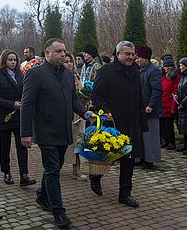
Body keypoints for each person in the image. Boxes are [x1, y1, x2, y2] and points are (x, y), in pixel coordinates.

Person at [20, 38, 92, 228]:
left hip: (64, 130)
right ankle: (58, 211)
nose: (63, 54)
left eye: (64, 51)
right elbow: (26, 104)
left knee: (56, 166)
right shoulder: (35, 74)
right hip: (45, 131)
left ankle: (42, 195)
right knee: (52, 169)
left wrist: (84, 112)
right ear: (47, 54)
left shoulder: (68, 75)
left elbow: (73, 99)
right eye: (59, 51)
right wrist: (25, 133)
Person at [92, 40, 148, 207]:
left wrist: (142, 122)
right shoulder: (106, 71)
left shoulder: (136, 71)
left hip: (132, 123)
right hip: (113, 123)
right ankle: (95, 177)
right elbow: (97, 95)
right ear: (118, 55)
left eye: (132, 54)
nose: (131, 57)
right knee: (108, 158)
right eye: (127, 54)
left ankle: (125, 194)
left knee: (129, 159)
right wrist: (106, 110)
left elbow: (139, 97)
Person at [0, 49, 36, 187]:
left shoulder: (20, 74)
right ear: (4, 60)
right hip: (4, 116)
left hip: (19, 115)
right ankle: (6, 172)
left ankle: (24, 175)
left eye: (15, 60)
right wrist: (11, 104)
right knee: (5, 146)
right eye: (10, 60)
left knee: (22, 146)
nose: (13, 62)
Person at [135, 46, 162, 169]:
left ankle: (150, 159)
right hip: (141, 108)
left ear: (146, 58)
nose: (137, 59)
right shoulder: (141, 70)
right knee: (142, 135)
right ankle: (142, 157)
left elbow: (156, 90)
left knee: (150, 136)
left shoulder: (153, 71)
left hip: (150, 109)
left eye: (139, 57)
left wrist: (150, 105)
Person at [63, 52, 87, 181]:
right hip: (67, 115)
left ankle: (76, 169)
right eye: (66, 61)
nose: (69, 64)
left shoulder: (76, 76)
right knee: (66, 143)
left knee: (79, 141)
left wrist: (85, 97)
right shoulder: (61, 77)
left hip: (79, 114)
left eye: (70, 61)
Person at [160, 56, 180, 150]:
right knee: (163, 126)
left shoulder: (175, 76)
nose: (169, 68)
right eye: (167, 66)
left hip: (170, 104)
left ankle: (171, 142)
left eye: (170, 66)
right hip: (162, 104)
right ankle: (165, 141)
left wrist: (173, 107)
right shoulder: (162, 76)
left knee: (169, 126)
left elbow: (176, 92)